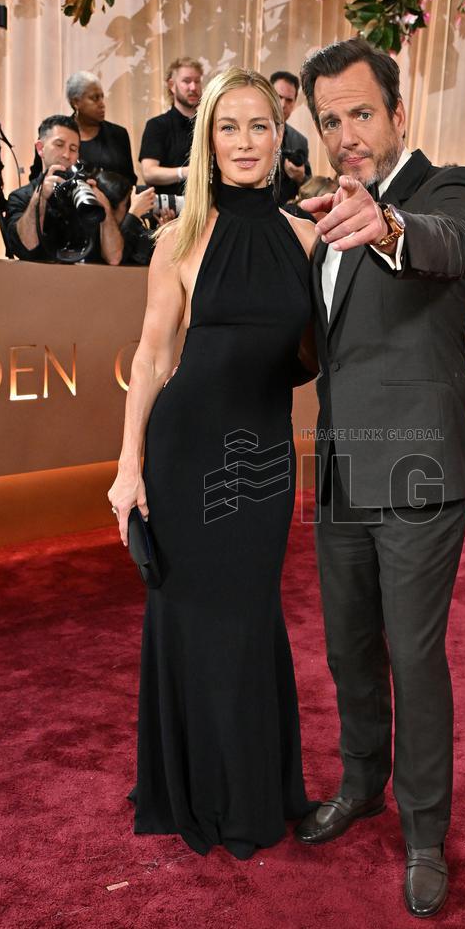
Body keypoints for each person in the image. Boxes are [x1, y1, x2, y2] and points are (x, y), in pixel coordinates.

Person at [293, 38, 465, 919]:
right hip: (339, 468)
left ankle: (421, 829)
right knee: (348, 652)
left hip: (418, 473)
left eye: (360, 113)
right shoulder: (325, 220)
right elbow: (315, 353)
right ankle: (360, 785)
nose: (345, 135)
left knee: (413, 657)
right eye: (329, 120)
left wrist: (390, 225)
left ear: (397, 112)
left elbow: (445, 245)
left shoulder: (447, 191)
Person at [107, 67, 317, 860]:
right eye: (227, 127)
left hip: (260, 452)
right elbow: (155, 351)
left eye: (258, 126)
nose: (243, 142)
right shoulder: (179, 238)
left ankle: (251, 784)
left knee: (247, 612)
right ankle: (194, 787)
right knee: (189, 616)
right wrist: (130, 465)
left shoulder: (308, 238)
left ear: (279, 137)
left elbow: (318, 351)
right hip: (185, 447)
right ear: (207, 139)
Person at [6, 114, 123, 264]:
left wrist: (104, 205)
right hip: (38, 282)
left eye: (73, 149)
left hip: (89, 281)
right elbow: (27, 248)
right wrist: (40, 199)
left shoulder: (87, 195)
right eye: (59, 145)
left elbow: (114, 258)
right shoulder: (21, 197)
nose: (67, 155)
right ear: (40, 148)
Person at [139, 57, 203, 196]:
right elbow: (149, 173)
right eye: (186, 81)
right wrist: (185, 172)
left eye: (197, 81)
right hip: (170, 212)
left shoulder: (209, 125)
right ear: (172, 85)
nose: (193, 87)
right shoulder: (157, 125)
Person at [65, 71, 136, 186]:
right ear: (76, 102)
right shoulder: (60, 135)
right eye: (95, 98)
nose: (102, 104)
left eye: (102, 97)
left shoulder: (118, 134)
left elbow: (129, 179)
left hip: (114, 202)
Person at [94, 170, 174, 265]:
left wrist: (164, 236)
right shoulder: (96, 231)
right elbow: (116, 257)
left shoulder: (131, 224)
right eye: (126, 204)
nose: (129, 207)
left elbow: (146, 252)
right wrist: (133, 214)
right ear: (111, 208)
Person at [269, 71, 312, 206]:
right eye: (279, 97)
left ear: (294, 103)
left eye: (289, 100)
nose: (282, 104)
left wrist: (301, 178)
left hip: (285, 216)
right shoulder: (249, 133)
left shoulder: (300, 141)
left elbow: (309, 185)